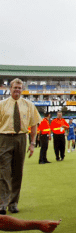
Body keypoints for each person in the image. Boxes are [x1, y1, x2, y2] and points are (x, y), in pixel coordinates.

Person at [0, 78, 42, 214]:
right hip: (4, 138)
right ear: (9, 89)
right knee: (4, 172)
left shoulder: (29, 105)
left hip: (21, 138)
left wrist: (32, 143)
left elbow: (34, 124)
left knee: (17, 172)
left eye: (19, 88)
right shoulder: (2, 105)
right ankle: (2, 203)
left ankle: (13, 203)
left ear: (22, 89)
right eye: (14, 88)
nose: (16, 90)